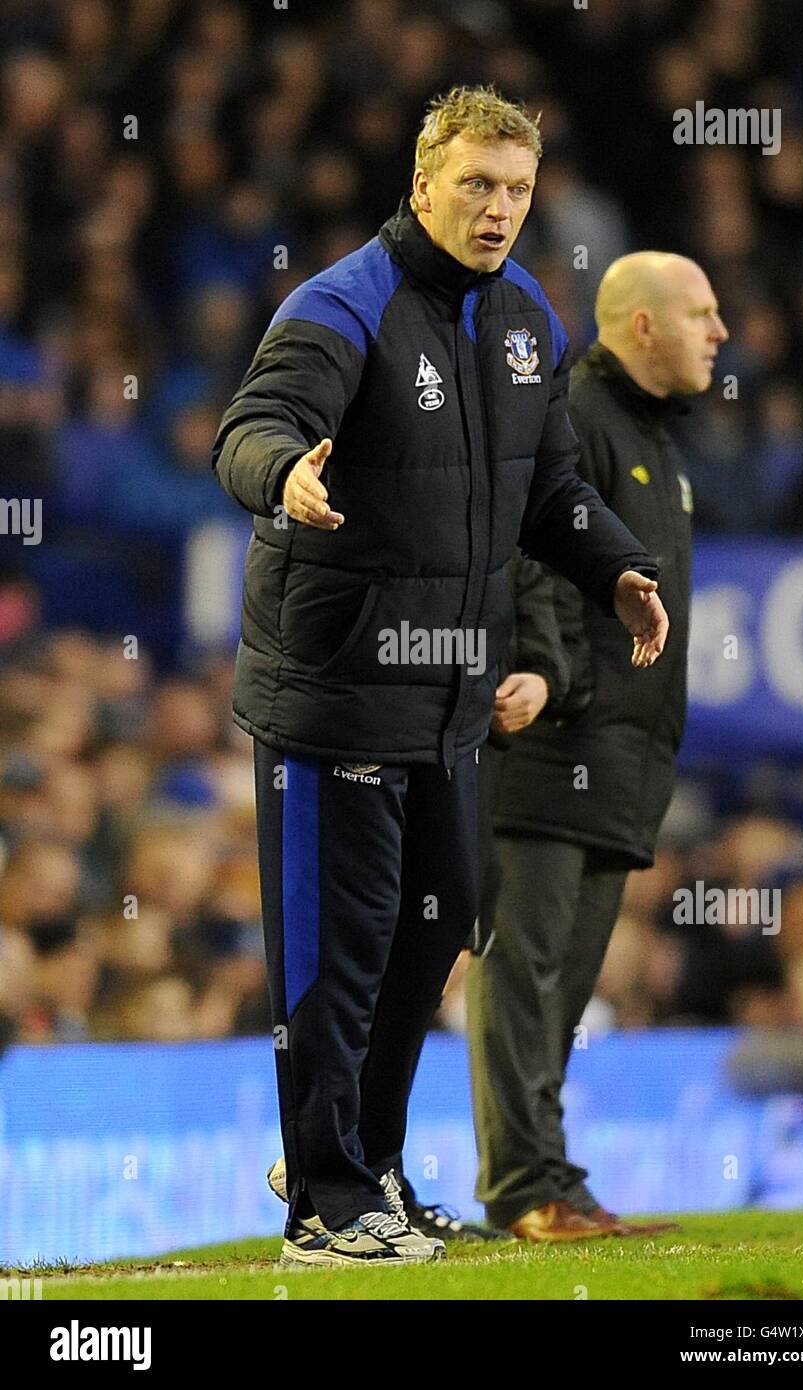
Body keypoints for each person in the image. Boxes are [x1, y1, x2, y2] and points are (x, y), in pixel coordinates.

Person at [212, 88, 669, 1268]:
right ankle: (323, 1198)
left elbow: (552, 491)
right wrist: (283, 475)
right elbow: (252, 425)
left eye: (516, 189)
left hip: (448, 695)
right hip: (335, 685)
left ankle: (364, 1157)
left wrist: (616, 569)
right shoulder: (341, 303)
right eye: (476, 185)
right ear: (423, 185)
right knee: (340, 944)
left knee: (436, 932)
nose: (499, 208)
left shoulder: (526, 320)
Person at [466, 251, 728, 1241]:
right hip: (550, 748)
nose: (721, 332)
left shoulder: (652, 436)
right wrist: (555, 680)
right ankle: (525, 1187)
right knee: (525, 973)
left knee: (561, 984)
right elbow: (534, 560)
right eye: (700, 312)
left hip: (619, 759)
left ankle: (549, 1181)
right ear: (642, 326)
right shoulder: (575, 416)